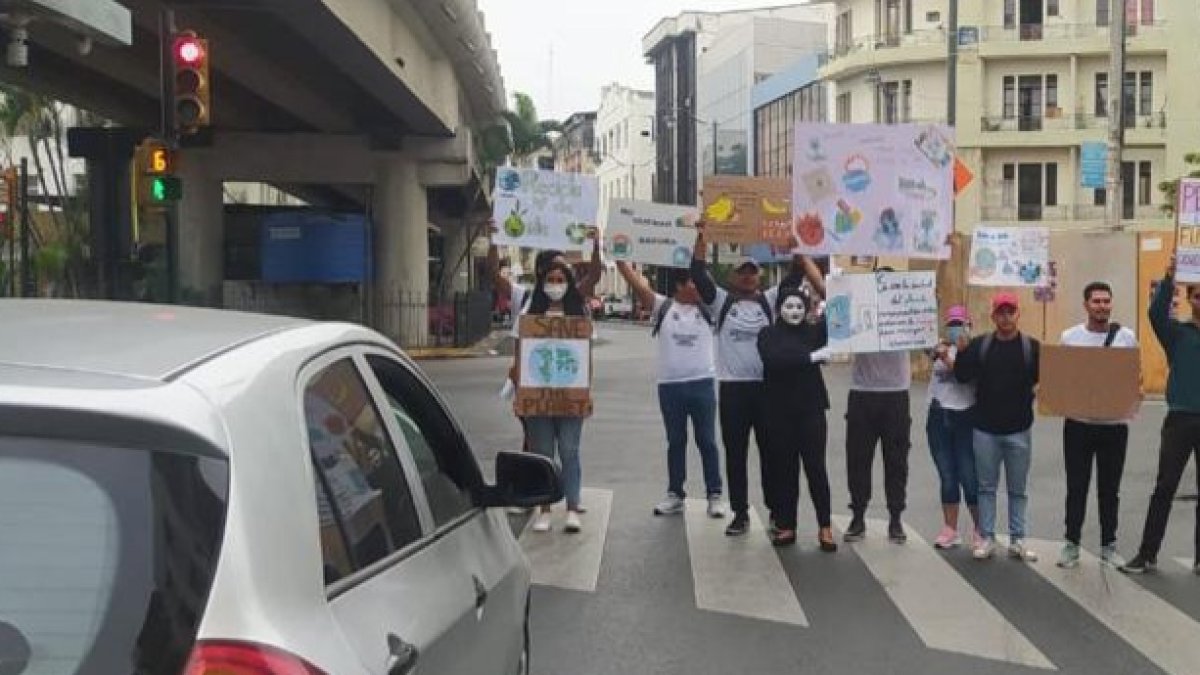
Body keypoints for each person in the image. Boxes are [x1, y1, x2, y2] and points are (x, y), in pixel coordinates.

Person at [690, 221, 825, 536]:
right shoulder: (722, 302)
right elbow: (698, 275)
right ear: (734, 276)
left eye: (752, 271)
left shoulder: (771, 299)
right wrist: (701, 237)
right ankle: (740, 513)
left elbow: (795, 275)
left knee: (773, 455)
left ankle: (777, 513)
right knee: (736, 455)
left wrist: (796, 245)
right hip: (733, 391)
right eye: (743, 271)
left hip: (768, 392)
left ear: (760, 275)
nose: (748, 276)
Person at [616, 260, 724, 518]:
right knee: (676, 441)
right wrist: (617, 254)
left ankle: (715, 494)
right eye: (693, 282)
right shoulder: (662, 306)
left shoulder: (710, 309)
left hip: (702, 384)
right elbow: (633, 281)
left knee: (707, 441)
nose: (699, 287)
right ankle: (675, 494)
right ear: (680, 285)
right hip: (670, 387)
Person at [1121, 255, 1200, 573]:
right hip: (1180, 419)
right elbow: (1155, 313)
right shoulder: (1177, 333)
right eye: (1197, 295)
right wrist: (1170, 277)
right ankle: (1147, 554)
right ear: (1191, 300)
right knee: (1164, 487)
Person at [954, 291, 1041, 562]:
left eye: (1010, 311)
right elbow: (961, 375)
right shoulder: (980, 345)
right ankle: (987, 537)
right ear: (993, 316)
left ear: (1017, 314)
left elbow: (1050, 379)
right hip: (985, 430)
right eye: (1000, 312)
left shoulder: (1031, 348)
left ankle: (1018, 539)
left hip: (1019, 429)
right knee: (986, 488)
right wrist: (962, 352)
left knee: (1018, 489)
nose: (1005, 317)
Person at [1057, 282, 1138, 569]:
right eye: (1096, 301)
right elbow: (1062, 379)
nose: (1102, 306)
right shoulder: (1070, 337)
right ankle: (1071, 544)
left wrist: (1133, 395)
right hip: (1078, 425)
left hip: (1114, 425)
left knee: (1109, 489)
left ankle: (1108, 545)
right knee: (1076, 486)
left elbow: (1132, 377)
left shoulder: (1126, 338)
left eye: (1106, 301)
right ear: (1086, 305)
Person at [757, 285, 837, 550]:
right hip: (778, 412)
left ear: (807, 309)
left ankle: (825, 526)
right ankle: (786, 524)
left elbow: (839, 314)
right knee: (785, 470)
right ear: (779, 309)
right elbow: (775, 359)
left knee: (816, 468)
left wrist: (838, 286)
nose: (794, 311)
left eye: (800, 307)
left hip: (810, 411)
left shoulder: (814, 332)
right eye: (789, 306)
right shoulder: (767, 334)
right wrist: (811, 357)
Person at [518, 261, 593, 534]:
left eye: (562, 279)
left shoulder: (579, 313)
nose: (556, 284)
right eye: (551, 278)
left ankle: (572, 509)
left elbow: (586, 358)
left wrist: (586, 394)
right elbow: (522, 354)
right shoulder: (531, 312)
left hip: (571, 397)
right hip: (538, 398)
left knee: (570, 452)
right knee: (543, 454)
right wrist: (521, 394)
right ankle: (545, 509)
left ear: (569, 284)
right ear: (542, 282)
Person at [843, 267, 912, 545]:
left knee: (897, 461)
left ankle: (896, 518)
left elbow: (928, 313)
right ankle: (858, 515)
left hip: (896, 394)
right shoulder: (857, 309)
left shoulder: (907, 313)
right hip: (862, 393)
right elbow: (829, 296)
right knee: (858, 459)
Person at [926, 305, 981, 550]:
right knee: (947, 475)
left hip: (965, 416)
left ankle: (981, 529)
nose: (956, 328)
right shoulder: (939, 348)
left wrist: (948, 356)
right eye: (952, 324)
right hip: (939, 415)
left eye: (960, 324)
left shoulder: (975, 352)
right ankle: (950, 528)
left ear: (969, 326)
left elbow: (964, 375)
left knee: (969, 475)